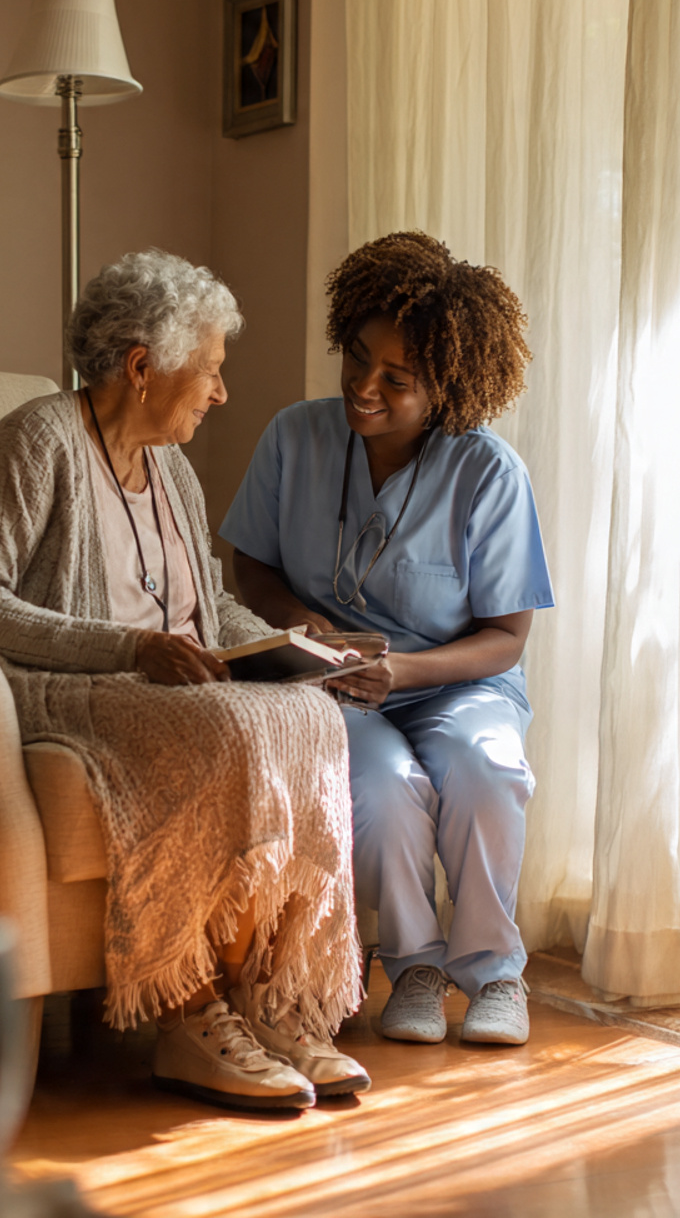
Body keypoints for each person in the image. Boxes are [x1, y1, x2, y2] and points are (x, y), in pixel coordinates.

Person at [0, 250, 367, 1110]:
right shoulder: (38, 439)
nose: (219, 393)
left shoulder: (170, 464)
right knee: (227, 727)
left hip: (167, 686)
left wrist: (304, 647)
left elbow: (208, 605)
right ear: (142, 367)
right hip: (59, 687)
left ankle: (266, 994)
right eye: (209, 369)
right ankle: (186, 1012)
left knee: (310, 715)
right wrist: (126, 651)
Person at [220, 232, 553, 1046]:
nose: (363, 388)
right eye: (357, 358)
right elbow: (249, 569)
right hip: (331, 682)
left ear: (449, 387)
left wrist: (405, 672)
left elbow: (507, 636)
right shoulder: (293, 438)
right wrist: (309, 629)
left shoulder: (489, 473)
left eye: (396, 380)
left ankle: (495, 974)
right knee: (379, 780)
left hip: (456, 681)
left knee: (486, 768)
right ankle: (414, 968)